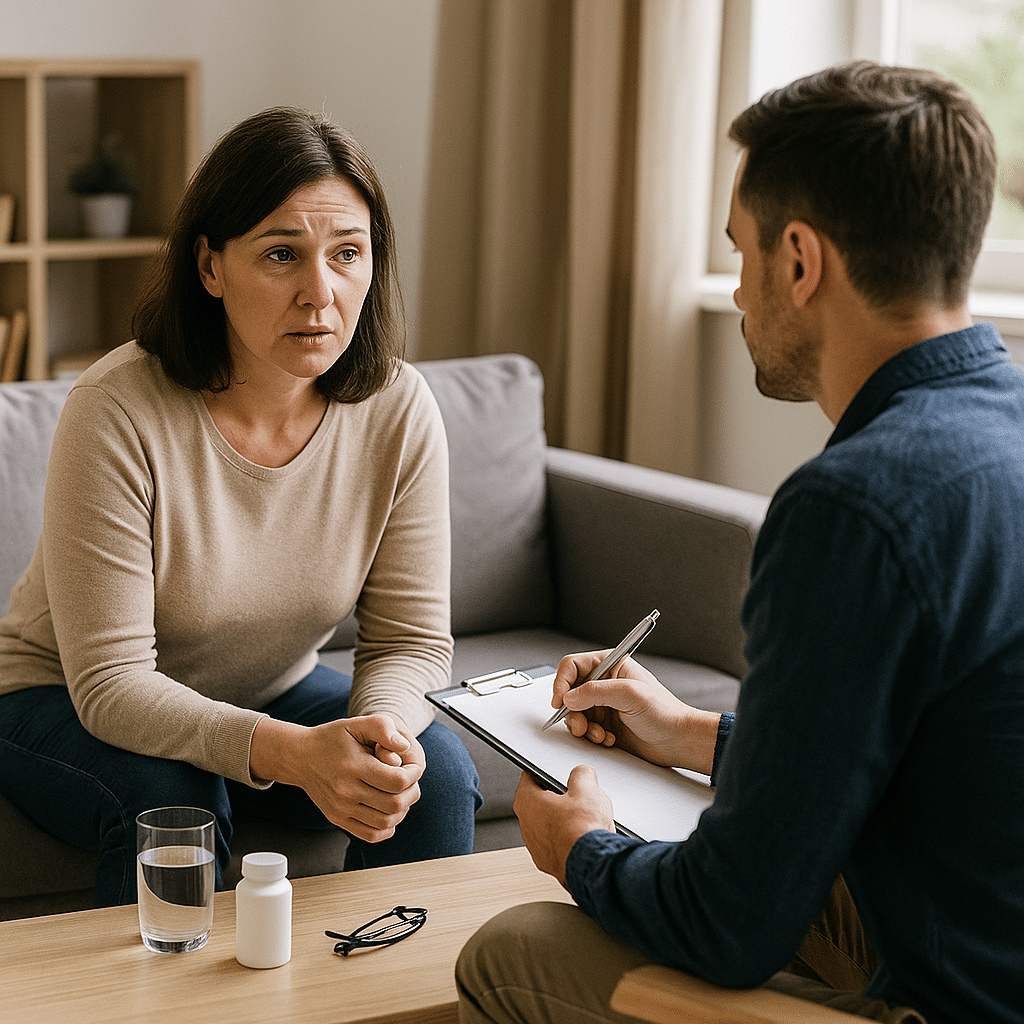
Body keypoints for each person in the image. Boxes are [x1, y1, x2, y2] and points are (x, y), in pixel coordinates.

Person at [456, 61, 1024, 1024]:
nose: (737, 295)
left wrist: (581, 847)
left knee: (511, 951)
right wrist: (690, 734)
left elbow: (730, 923)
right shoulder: (1002, 429)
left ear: (801, 261)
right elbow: (915, 755)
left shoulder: (852, 507)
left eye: (742, 254)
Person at [0, 107, 481, 907]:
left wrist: (384, 737)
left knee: (437, 775)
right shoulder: (116, 409)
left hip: (266, 686)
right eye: (282, 254)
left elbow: (410, 639)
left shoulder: (400, 407)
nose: (319, 294)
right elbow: (113, 683)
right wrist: (293, 755)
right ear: (211, 266)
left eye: (348, 253)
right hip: (53, 695)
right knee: (174, 802)